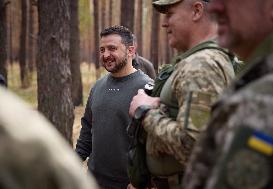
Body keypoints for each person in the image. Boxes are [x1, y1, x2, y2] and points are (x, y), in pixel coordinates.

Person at [128, 0, 236, 188]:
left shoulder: (202, 65)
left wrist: (145, 112)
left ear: (196, 11)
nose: (164, 23)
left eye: (170, 14)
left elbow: (196, 147)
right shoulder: (200, 61)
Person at [183, 0, 273, 189]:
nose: (214, 7)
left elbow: (188, 140)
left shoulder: (263, 104)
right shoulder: (261, 78)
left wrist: (148, 114)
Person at [75, 25, 152, 189]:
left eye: (112, 48)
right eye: (102, 50)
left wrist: (144, 181)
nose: (105, 55)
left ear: (130, 51)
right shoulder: (98, 86)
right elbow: (87, 130)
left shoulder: (146, 88)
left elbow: (153, 142)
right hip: (93, 181)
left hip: (128, 184)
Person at [0, 87, 98, 189]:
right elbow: (87, 130)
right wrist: (78, 157)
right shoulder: (97, 89)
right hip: (96, 176)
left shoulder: (11, 122)